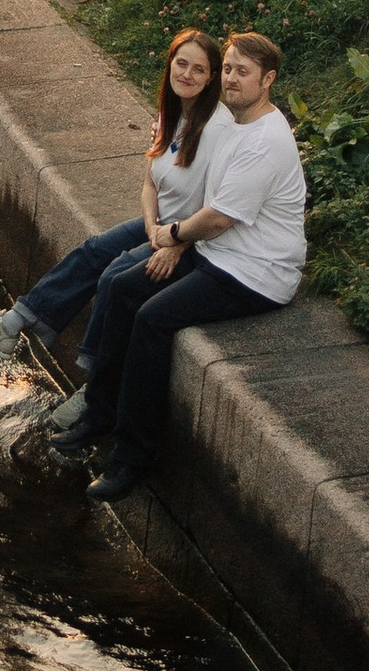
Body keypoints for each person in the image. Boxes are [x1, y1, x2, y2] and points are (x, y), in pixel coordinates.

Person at [52, 30, 306, 503]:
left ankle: (131, 458)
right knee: (125, 287)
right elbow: (204, 201)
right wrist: (178, 244)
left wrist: (172, 238)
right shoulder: (234, 123)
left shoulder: (265, 140)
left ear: (267, 80)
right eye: (228, 68)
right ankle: (98, 412)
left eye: (242, 72)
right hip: (218, 251)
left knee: (152, 319)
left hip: (257, 272)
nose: (231, 78)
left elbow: (220, 217)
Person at [0, 34, 228, 364]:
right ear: (170, 63)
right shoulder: (170, 111)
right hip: (161, 225)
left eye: (198, 69)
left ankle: (94, 377)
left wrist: (176, 244)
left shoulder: (219, 131)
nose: (187, 74)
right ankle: (14, 325)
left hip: (191, 238)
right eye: (181, 63)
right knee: (94, 250)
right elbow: (149, 185)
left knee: (114, 276)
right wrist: (150, 226)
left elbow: (217, 209)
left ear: (212, 77)